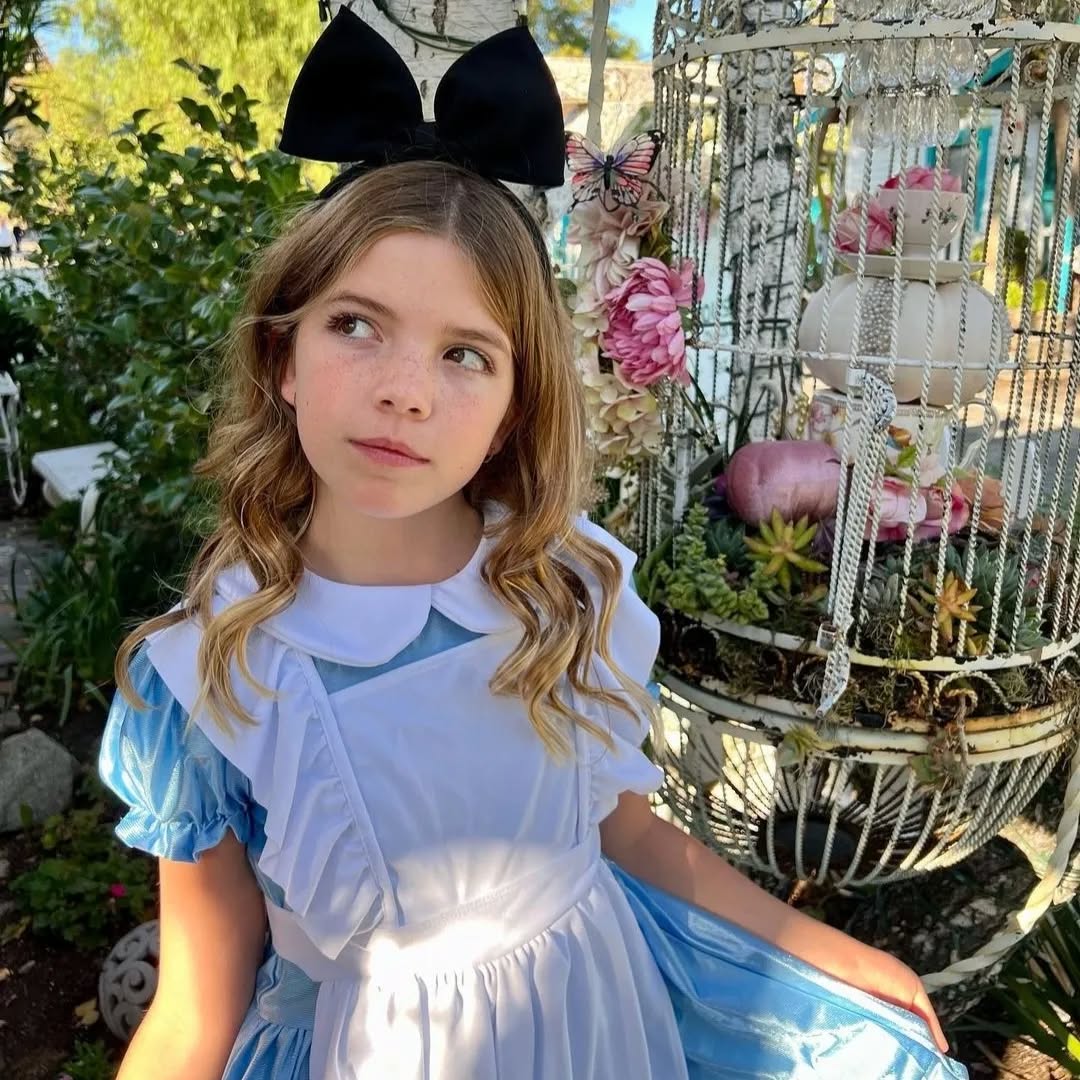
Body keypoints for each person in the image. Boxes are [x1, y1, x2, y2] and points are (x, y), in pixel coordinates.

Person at [98, 11, 967, 1080]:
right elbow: (196, 1003)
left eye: (465, 353)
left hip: (596, 1026)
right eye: (355, 324)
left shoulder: (568, 587)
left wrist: (815, 949)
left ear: (515, 405)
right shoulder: (214, 668)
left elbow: (626, 833)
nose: (405, 392)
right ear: (282, 356)